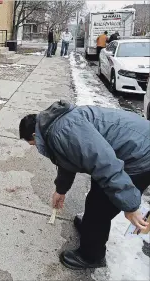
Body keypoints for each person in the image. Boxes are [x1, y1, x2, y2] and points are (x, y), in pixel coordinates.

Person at [19, 100, 150, 270]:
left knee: (99, 210)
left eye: (33, 144)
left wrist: (130, 206)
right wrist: (61, 190)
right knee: (95, 201)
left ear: (35, 136)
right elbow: (68, 158)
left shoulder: (63, 131)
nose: (36, 148)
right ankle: (91, 230)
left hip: (140, 155)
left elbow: (104, 163)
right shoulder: (54, 126)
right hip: (130, 147)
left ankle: (91, 256)